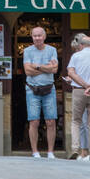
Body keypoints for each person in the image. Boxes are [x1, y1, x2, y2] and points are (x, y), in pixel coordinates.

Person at [22, 27, 59, 159]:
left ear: (44, 36)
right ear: (31, 37)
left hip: (49, 89)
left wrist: (37, 66)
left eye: (39, 35)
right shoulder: (27, 51)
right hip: (32, 89)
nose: (37, 38)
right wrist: (46, 68)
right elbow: (27, 71)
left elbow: (55, 70)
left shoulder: (52, 50)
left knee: (50, 121)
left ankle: (50, 152)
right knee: (34, 121)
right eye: (34, 36)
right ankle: (35, 151)